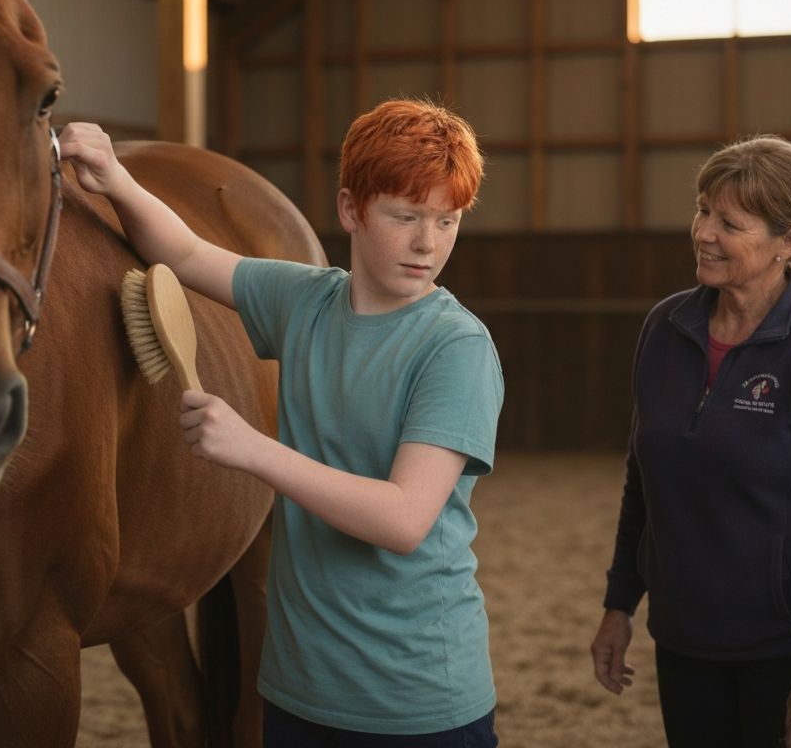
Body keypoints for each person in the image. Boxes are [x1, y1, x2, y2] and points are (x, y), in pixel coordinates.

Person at [59, 98, 503, 747]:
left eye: (447, 220)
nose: (427, 243)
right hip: (296, 693)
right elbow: (184, 252)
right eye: (405, 216)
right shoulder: (305, 301)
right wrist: (114, 178)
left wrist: (253, 449)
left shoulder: (456, 348)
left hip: (414, 701)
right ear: (351, 209)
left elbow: (404, 519)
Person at [590, 134, 791, 748]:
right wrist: (620, 604)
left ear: (789, 242)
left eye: (729, 223)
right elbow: (643, 480)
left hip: (789, 654)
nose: (703, 233)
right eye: (703, 211)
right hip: (684, 645)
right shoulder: (665, 328)